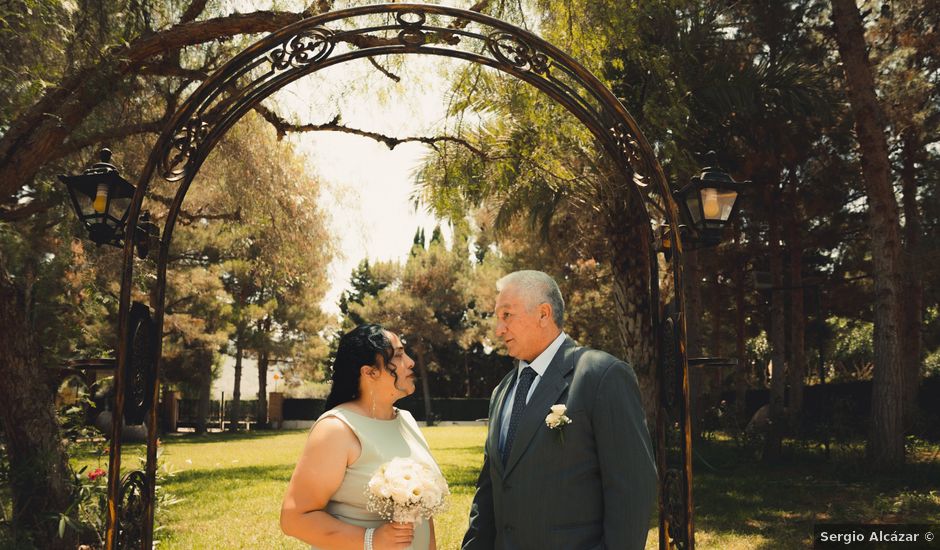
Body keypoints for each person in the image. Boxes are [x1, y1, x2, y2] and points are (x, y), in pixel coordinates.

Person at [462, 270, 658, 550]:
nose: (498, 329)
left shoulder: (601, 376)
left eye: (507, 315)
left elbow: (632, 490)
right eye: (498, 318)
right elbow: (490, 490)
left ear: (544, 314)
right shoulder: (501, 391)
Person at [281, 324, 440, 550]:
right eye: (398, 355)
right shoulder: (336, 429)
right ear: (370, 372)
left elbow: (423, 515)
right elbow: (294, 518)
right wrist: (371, 540)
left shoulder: (407, 421)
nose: (411, 362)